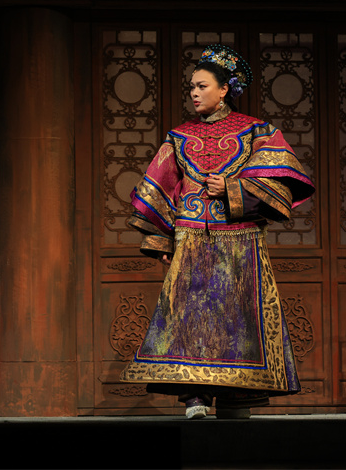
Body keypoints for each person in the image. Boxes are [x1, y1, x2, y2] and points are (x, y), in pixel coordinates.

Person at [119, 45, 315, 419]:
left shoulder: (257, 131)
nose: (194, 93)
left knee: (237, 319)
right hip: (191, 236)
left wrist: (232, 188)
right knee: (188, 315)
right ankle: (194, 396)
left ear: (224, 89)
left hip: (240, 238)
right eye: (192, 87)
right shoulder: (179, 137)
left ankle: (235, 396)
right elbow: (162, 187)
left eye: (202, 86)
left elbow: (280, 187)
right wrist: (162, 239)